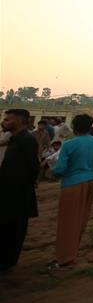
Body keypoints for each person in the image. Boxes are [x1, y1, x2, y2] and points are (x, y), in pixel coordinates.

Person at [49, 113, 93, 271]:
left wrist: (53, 171)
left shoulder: (69, 144)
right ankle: (72, 253)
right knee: (81, 218)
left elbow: (59, 169)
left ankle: (64, 259)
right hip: (90, 180)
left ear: (74, 127)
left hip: (72, 183)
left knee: (67, 221)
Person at [0, 109, 39, 271]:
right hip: (7, 192)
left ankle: (8, 262)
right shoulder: (14, 139)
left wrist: (25, 185)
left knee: (14, 230)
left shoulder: (27, 140)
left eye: (8, 120)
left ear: (20, 121)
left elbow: (33, 167)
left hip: (18, 194)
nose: (4, 122)